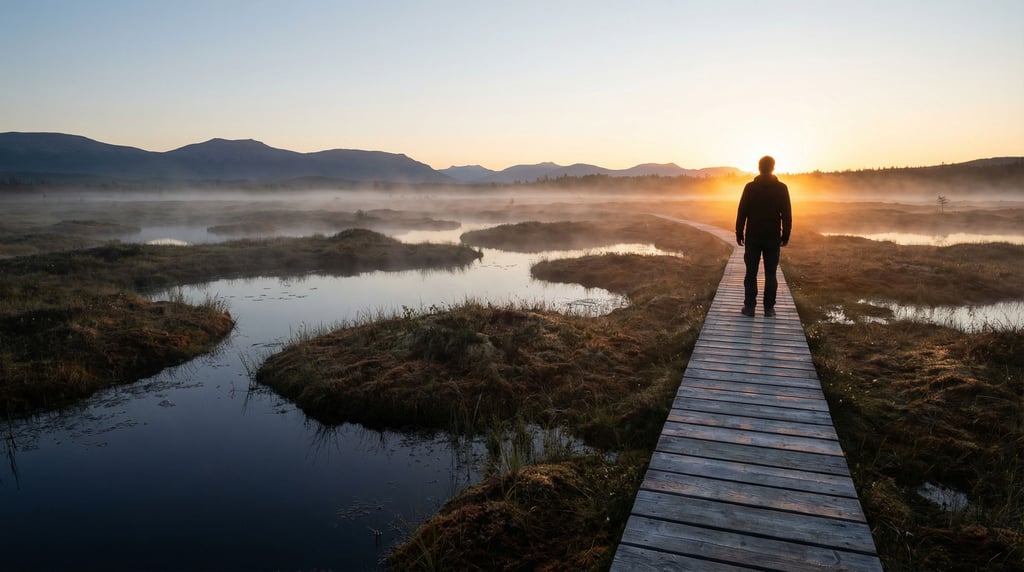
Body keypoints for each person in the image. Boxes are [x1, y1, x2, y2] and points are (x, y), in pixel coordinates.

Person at [735, 155, 792, 317]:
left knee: (751, 272)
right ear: (773, 168)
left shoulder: (750, 187)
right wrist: (786, 234)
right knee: (771, 273)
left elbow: (742, 212)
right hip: (772, 237)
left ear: (759, 168)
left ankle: (750, 308)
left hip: (753, 236)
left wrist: (739, 232)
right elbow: (787, 214)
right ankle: (769, 309)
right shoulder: (782, 188)